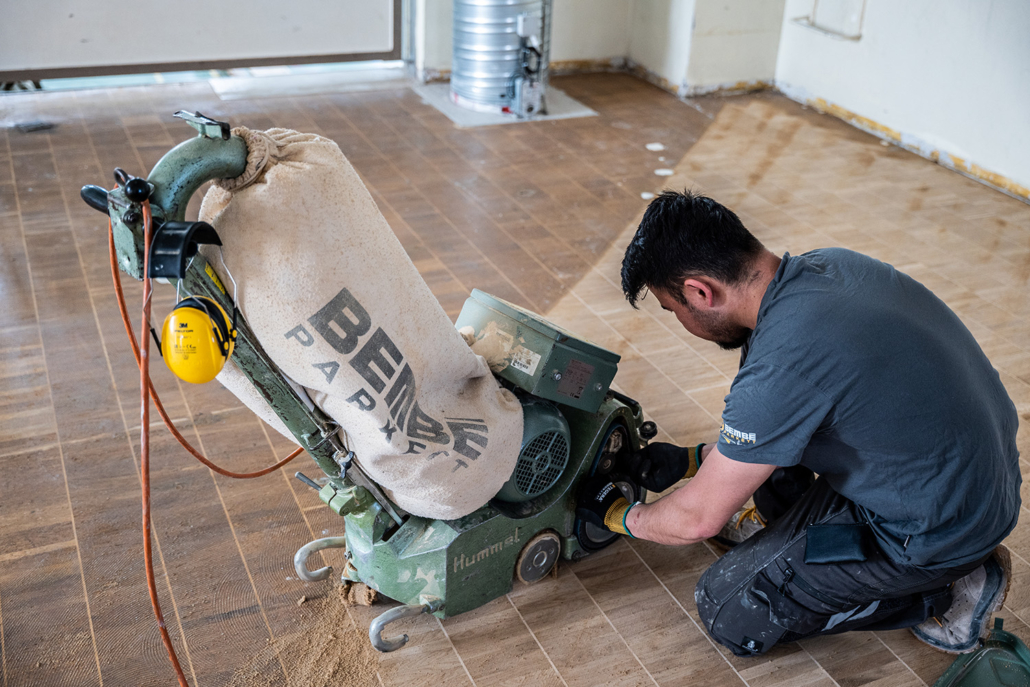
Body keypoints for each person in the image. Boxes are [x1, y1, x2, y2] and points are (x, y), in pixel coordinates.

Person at [577, 190, 1020, 656]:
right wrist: (691, 461)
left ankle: (949, 588)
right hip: (971, 478)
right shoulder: (831, 266)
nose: (681, 320)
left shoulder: (782, 364)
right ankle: (793, 544)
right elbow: (790, 417)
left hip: (935, 527)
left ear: (699, 291)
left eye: (674, 309)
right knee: (773, 450)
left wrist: (620, 516)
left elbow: (696, 521)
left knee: (727, 607)